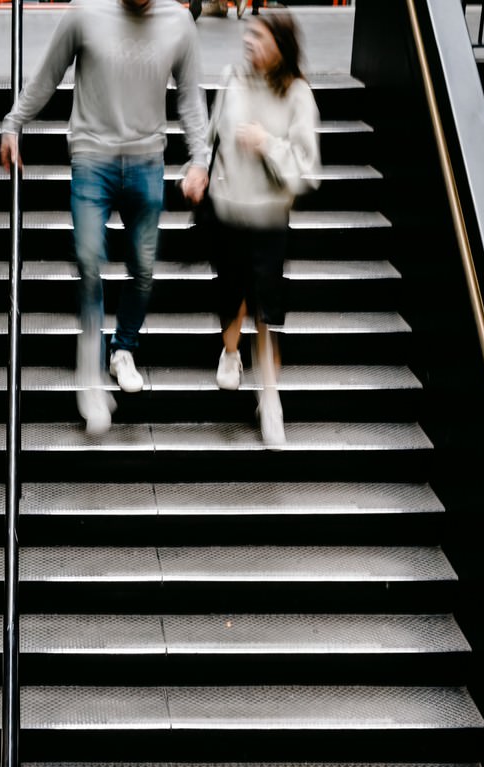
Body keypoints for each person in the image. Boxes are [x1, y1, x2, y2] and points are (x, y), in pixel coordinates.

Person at [0, 0, 211, 434]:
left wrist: (200, 159)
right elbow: (47, 76)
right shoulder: (84, 14)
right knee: (90, 263)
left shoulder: (179, 22)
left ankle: (123, 349)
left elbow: (191, 95)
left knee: (144, 270)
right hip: (92, 158)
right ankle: (91, 377)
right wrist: (13, 123)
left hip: (147, 161)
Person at [201, 9, 320, 445]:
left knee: (267, 312)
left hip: (268, 217)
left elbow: (308, 170)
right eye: (248, 34)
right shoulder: (232, 77)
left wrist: (266, 142)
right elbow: (212, 136)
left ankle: (270, 398)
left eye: (260, 37)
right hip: (228, 210)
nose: (250, 42)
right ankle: (231, 352)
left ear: (281, 47)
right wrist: (198, 171)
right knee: (230, 294)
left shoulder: (297, 94)